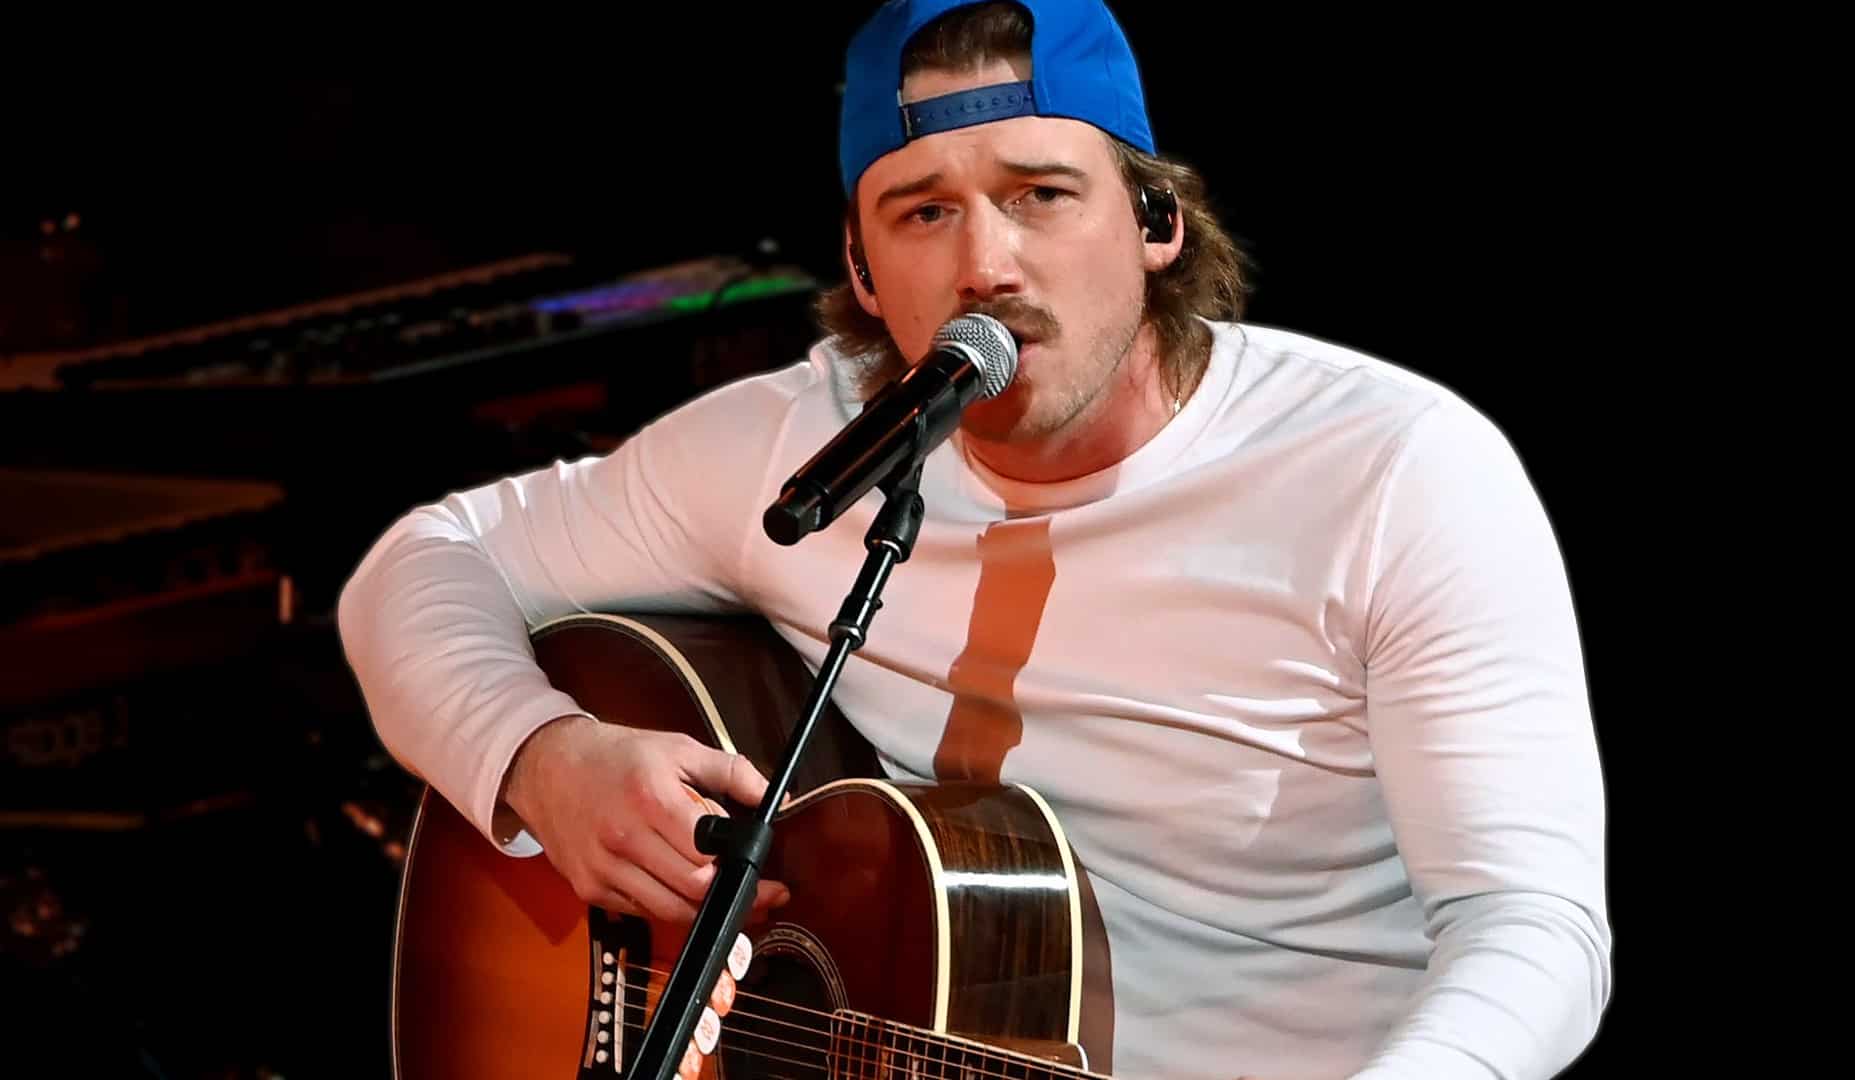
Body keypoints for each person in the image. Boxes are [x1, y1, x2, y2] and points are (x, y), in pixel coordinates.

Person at [336, 2, 1613, 1078]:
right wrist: (545, 760)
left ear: (1156, 222)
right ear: (861, 263)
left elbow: (1531, 925)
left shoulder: (1390, 471)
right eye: (922, 213)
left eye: (1041, 194)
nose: (985, 262)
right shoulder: (801, 448)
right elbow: (421, 565)